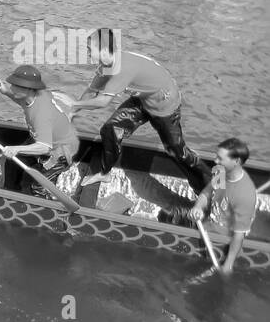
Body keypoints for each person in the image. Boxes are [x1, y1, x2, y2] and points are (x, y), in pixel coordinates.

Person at [64, 28, 209, 194]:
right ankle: (105, 173)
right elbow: (92, 91)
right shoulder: (107, 65)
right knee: (111, 129)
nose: (88, 53)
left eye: (90, 49)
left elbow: (103, 102)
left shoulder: (122, 68)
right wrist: (72, 112)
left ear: (104, 50)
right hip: (143, 99)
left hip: (165, 105)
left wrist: (74, 105)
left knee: (178, 152)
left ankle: (208, 186)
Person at [174, 138, 259, 278]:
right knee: (168, 214)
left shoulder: (245, 195)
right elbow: (206, 194)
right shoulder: (221, 172)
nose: (215, 161)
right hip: (206, 222)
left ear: (236, 161)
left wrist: (229, 264)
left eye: (220, 158)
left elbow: (239, 236)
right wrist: (197, 207)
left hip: (220, 237)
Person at [0, 65, 81, 196]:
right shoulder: (36, 96)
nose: (12, 88)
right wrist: (6, 92)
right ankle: (11, 194)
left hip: (60, 151)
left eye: (16, 86)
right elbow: (23, 102)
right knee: (13, 161)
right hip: (43, 137)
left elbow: (44, 147)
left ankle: (43, 209)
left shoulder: (41, 113)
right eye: (13, 84)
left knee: (38, 188)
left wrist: (16, 148)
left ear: (29, 89)